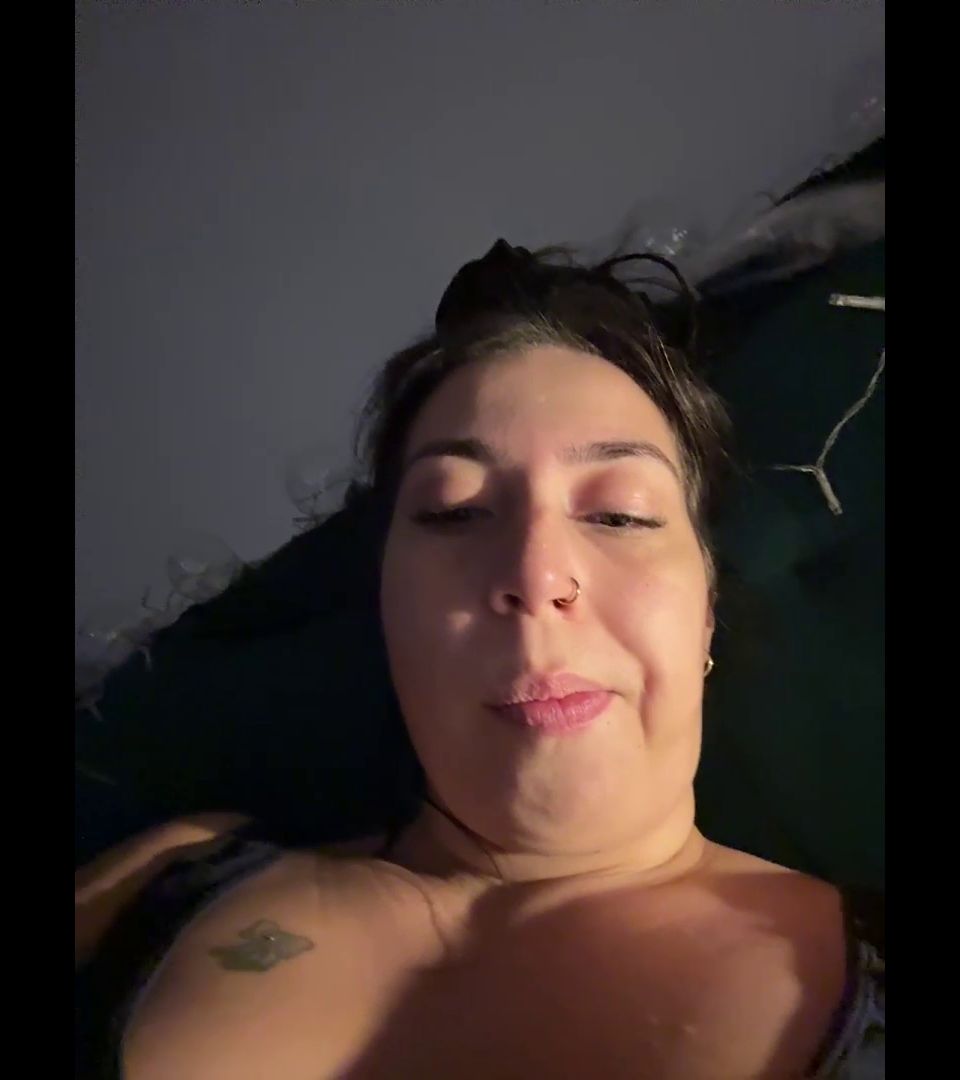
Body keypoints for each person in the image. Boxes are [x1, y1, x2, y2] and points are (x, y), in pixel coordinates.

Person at [75, 239, 884, 1079]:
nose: (536, 574)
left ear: (707, 614)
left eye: (619, 515)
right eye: (455, 512)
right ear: (386, 603)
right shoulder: (162, 880)